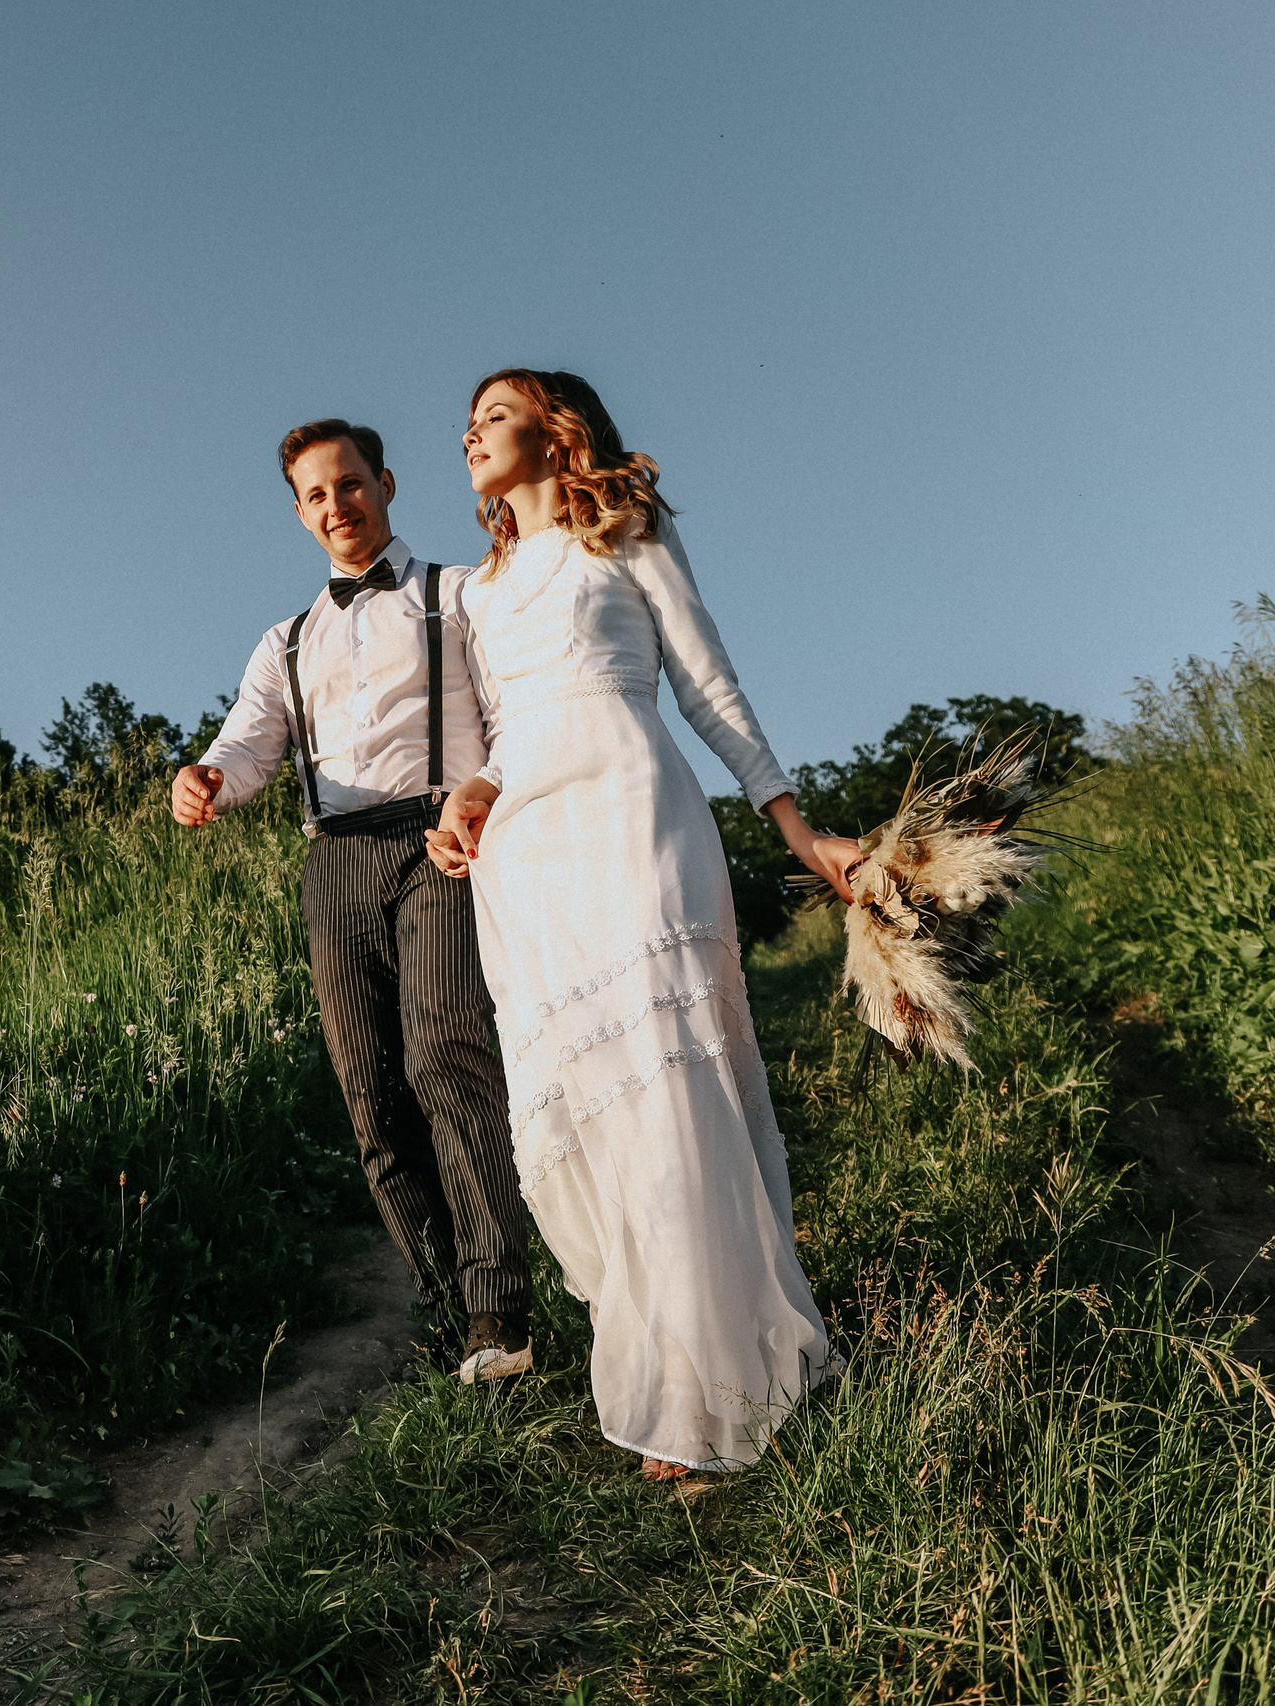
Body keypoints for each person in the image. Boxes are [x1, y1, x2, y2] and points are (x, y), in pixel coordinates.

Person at [424, 370, 855, 1477]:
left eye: (496, 413)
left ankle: (712, 1384)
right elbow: (503, 735)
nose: (472, 433)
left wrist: (797, 832)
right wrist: (466, 799)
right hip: (525, 853)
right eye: (468, 422)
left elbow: (707, 682)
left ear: (555, 426)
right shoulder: (477, 590)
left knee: (669, 1076)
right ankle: (667, 1344)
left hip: (634, 811)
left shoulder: (623, 526)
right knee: (591, 1101)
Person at [174, 418, 534, 1373]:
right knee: (371, 1097)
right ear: (300, 515)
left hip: (439, 845)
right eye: (318, 495)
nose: (339, 505)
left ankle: (503, 1309)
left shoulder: (459, 596)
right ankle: (444, 1307)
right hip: (332, 860)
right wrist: (207, 777)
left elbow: (516, 717)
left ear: (386, 482)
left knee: (447, 1056)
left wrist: (481, 796)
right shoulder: (286, 640)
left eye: (351, 483)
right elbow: (249, 741)